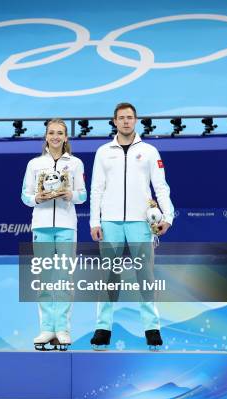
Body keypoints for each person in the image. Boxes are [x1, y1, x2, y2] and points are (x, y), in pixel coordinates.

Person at [89, 102, 174, 350]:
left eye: (130, 117)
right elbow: (96, 189)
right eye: (121, 118)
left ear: (135, 121)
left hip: (140, 223)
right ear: (114, 121)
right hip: (110, 222)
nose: (126, 121)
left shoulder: (149, 151)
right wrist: (95, 220)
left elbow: (160, 186)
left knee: (145, 276)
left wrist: (168, 216)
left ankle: (152, 328)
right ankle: (103, 328)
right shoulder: (103, 151)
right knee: (108, 277)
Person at [21, 119, 86, 351]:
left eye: (60, 133)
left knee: (64, 279)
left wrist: (71, 195)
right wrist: (37, 198)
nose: (56, 137)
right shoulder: (34, 164)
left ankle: (63, 329)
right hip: (41, 226)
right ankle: (47, 328)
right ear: (46, 137)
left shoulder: (76, 164)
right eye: (52, 133)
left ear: (66, 137)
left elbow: (83, 195)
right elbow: (25, 196)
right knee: (45, 280)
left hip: (67, 226)